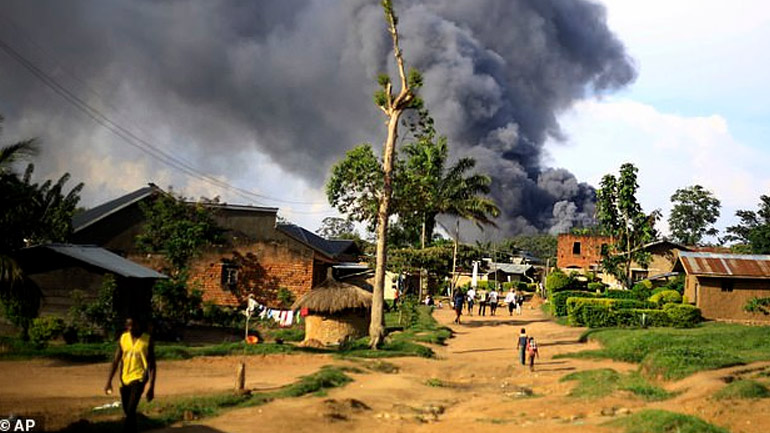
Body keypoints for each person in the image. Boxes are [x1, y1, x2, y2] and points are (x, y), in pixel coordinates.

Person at [105, 318, 156, 433]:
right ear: (126, 326)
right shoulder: (123, 338)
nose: (131, 328)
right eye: (128, 325)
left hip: (139, 378)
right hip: (124, 379)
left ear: (139, 325)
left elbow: (152, 365)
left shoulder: (147, 340)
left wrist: (151, 386)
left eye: (134, 325)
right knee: (128, 412)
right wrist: (109, 381)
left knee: (131, 409)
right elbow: (116, 361)